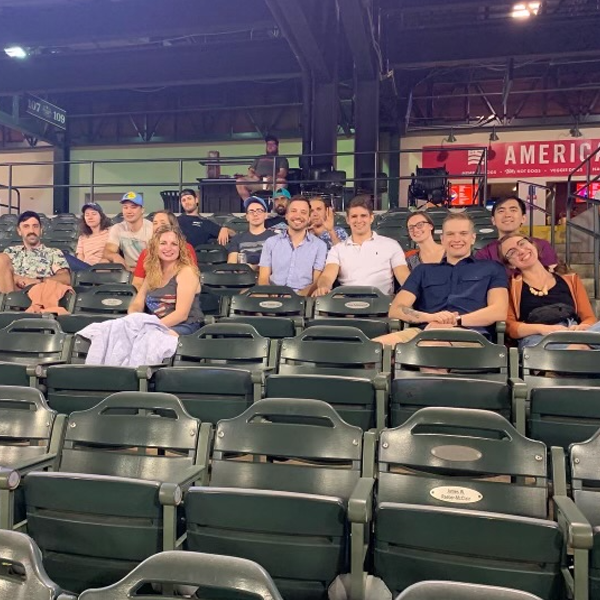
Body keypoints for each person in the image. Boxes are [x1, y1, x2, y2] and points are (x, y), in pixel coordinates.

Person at [374, 213, 508, 346]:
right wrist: (430, 318)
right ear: (442, 239)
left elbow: (499, 311)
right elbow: (396, 309)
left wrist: (455, 320)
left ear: (473, 238)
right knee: (372, 348)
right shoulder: (423, 271)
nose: (457, 239)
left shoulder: (492, 268)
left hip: (470, 333)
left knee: (431, 347)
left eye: (463, 233)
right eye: (450, 234)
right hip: (423, 331)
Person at [498, 232, 600, 349]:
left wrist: (582, 327)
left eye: (522, 243)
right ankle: (581, 348)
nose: (521, 251)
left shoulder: (570, 279)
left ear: (533, 245)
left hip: (574, 331)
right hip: (537, 337)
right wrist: (544, 329)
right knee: (577, 348)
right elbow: (511, 327)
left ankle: (580, 346)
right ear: (510, 265)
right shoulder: (509, 286)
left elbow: (589, 317)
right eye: (512, 252)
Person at [313, 196, 409, 296]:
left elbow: (403, 276)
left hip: (382, 304)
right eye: (354, 216)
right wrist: (323, 286)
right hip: (347, 304)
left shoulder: (391, 245)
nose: (358, 220)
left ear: (371, 218)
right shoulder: (337, 249)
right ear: (347, 220)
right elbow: (327, 276)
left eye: (363, 216)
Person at [128, 225, 202, 335]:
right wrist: (133, 318)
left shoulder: (187, 272)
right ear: (155, 247)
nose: (168, 248)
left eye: (174, 244)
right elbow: (138, 303)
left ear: (180, 248)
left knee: (152, 337)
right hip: (155, 326)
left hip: (184, 325)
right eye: (163, 243)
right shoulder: (153, 272)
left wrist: (150, 328)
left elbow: (181, 314)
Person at [258, 196, 327, 295]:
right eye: (294, 211)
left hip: (303, 299)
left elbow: (316, 283)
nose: (298, 216)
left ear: (308, 218)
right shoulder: (271, 242)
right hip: (272, 296)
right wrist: (270, 294)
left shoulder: (320, 246)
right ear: (286, 215)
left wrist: (296, 297)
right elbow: (263, 278)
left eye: (303, 212)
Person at [475, 195, 558, 269]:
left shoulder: (541, 245)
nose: (507, 215)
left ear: (523, 218)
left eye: (513, 210)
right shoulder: (485, 254)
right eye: (501, 211)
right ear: (493, 220)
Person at [0, 211, 71, 293]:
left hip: (39, 292)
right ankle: (9, 302)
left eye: (35, 226)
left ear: (41, 230)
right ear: (19, 231)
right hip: (13, 289)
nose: (31, 231)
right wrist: (19, 279)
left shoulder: (53, 253)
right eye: (26, 226)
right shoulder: (10, 252)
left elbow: (65, 278)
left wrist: (37, 281)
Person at [132, 210, 197, 290]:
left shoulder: (186, 248)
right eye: (155, 223)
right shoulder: (146, 252)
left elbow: (192, 281)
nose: (158, 226)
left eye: (162, 223)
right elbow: (137, 282)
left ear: (173, 226)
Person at [103, 192, 154, 271]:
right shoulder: (118, 228)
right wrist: (116, 256)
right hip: (126, 270)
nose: (129, 211)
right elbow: (108, 251)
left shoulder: (151, 228)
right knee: (104, 262)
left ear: (142, 210)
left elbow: (155, 258)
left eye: (133, 207)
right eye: (125, 207)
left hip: (148, 269)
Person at [226, 196, 276, 269]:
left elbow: (277, 265)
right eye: (251, 211)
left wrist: (253, 267)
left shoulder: (275, 238)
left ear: (266, 215)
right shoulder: (237, 238)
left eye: (259, 211)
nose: (255, 214)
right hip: (244, 278)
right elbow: (231, 265)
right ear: (247, 217)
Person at [236, 135, 289, 202]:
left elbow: (282, 173)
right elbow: (250, 170)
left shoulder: (282, 159)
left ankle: (276, 207)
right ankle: (249, 204)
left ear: (277, 146)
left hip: (272, 182)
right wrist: (253, 176)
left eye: (272, 144)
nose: (270, 146)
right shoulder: (259, 157)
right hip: (258, 181)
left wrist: (273, 178)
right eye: (268, 144)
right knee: (239, 181)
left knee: (282, 181)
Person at [64, 202, 113, 271]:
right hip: (86, 268)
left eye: (94, 214)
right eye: (87, 215)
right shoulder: (83, 237)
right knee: (61, 255)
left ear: (101, 216)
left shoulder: (110, 232)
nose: (90, 217)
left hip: (102, 267)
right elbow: (80, 257)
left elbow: (112, 254)